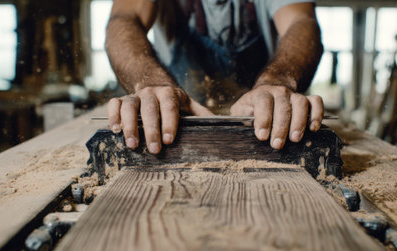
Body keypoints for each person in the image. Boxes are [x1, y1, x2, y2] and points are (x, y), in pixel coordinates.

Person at [106, 0, 324, 154]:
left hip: (256, 120)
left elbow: (301, 22)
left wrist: (278, 81)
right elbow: (124, 19)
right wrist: (150, 82)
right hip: (177, 116)